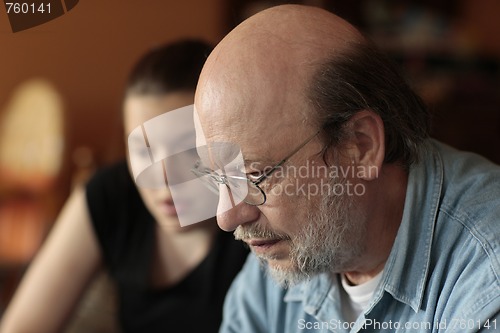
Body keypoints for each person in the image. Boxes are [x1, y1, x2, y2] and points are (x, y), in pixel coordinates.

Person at [191, 5, 500, 333]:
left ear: (361, 146)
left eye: (254, 175)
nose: (227, 216)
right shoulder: (284, 244)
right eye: (219, 176)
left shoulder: (486, 282)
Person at [0, 39, 248, 333]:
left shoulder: (257, 215)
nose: (162, 178)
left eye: (187, 149)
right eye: (143, 150)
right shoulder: (111, 192)